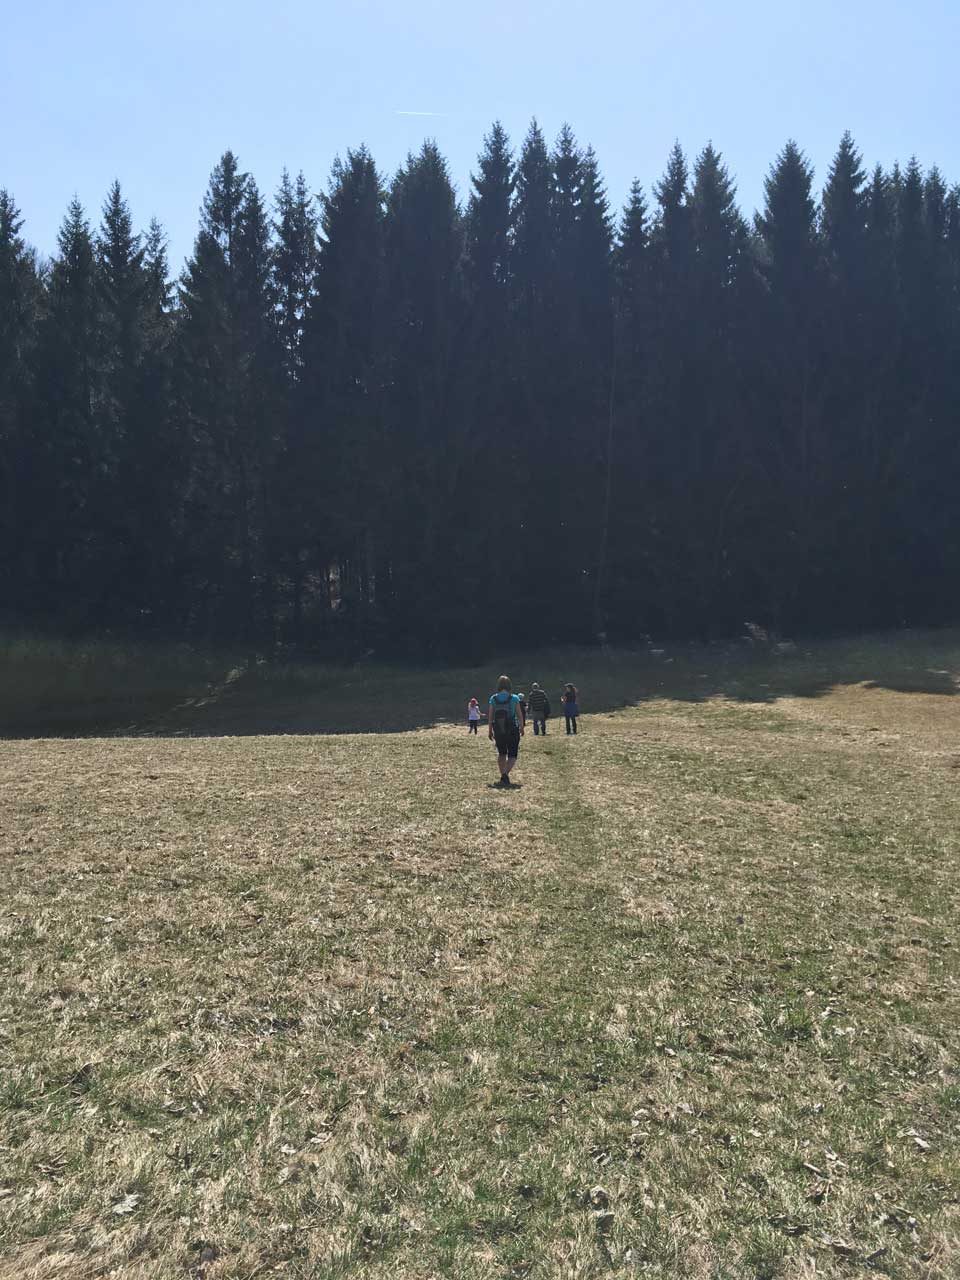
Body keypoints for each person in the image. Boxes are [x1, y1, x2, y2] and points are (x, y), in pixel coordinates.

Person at [488, 674, 524, 786]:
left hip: (499, 730)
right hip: (512, 728)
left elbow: (490, 717)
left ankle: (503, 774)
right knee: (513, 754)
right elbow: (519, 715)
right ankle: (505, 775)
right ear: (509, 685)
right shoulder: (514, 698)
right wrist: (522, 727)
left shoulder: (493, 698)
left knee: (502, 753)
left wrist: (490, 730)